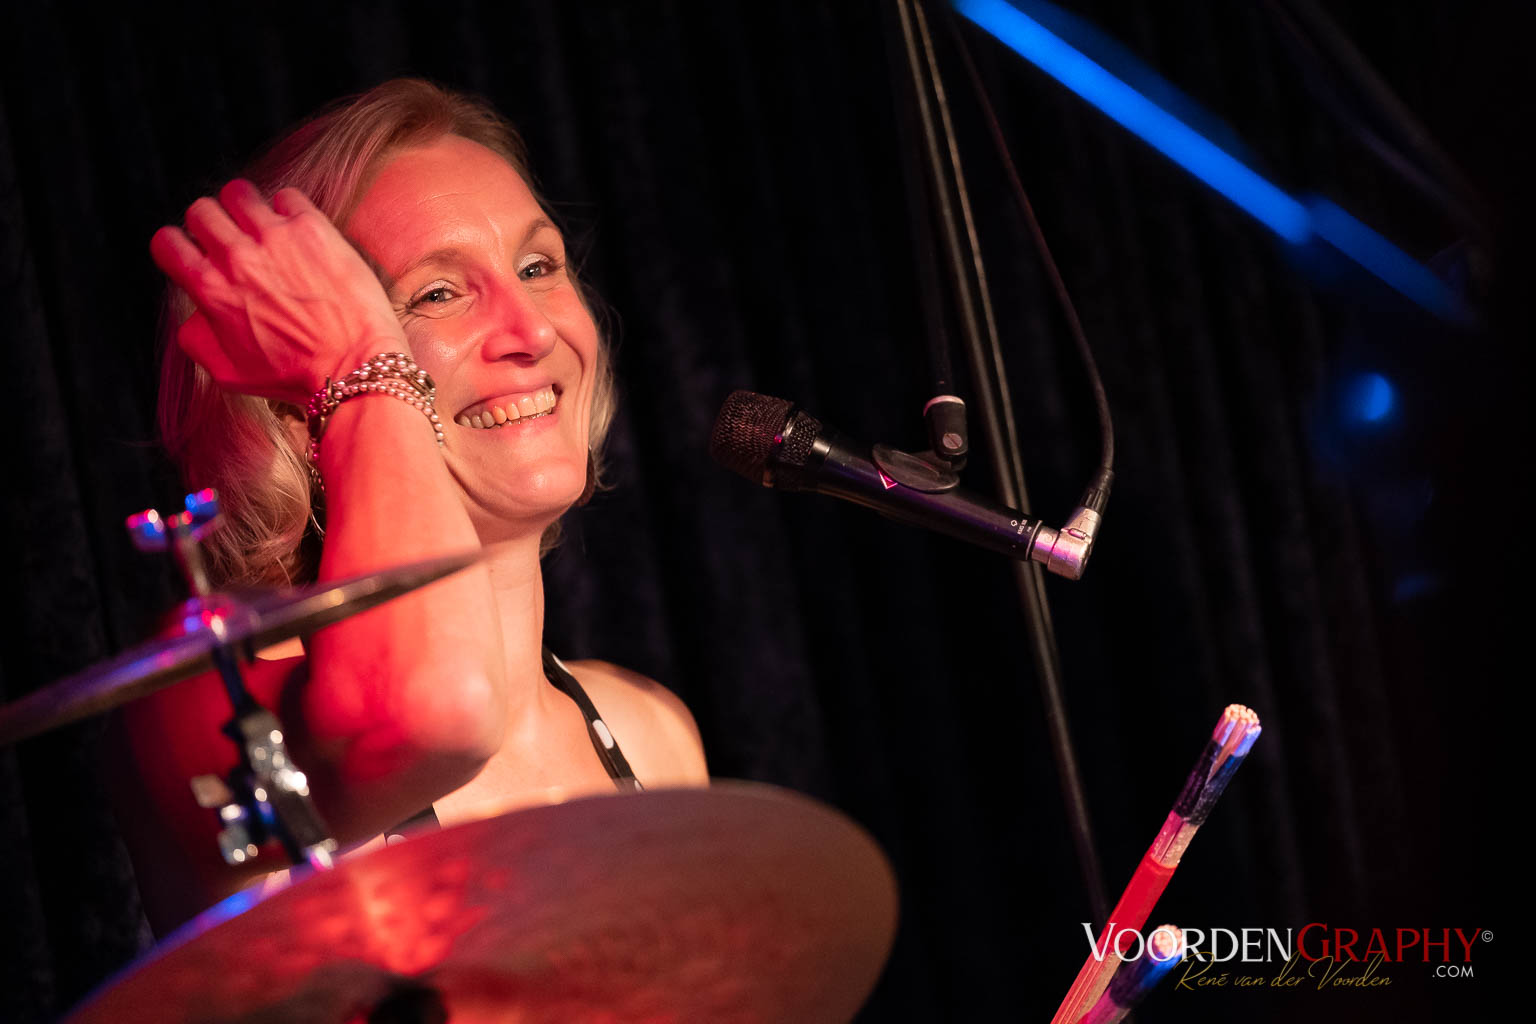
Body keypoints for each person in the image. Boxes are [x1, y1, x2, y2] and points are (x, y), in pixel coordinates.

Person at [109, 78, 709, 935]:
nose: (534, 332)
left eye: (538, 268)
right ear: (293, 393)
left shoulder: (651, 731)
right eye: (436, 294)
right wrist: (359, 367)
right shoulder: (229, 712)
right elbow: (436, 713)